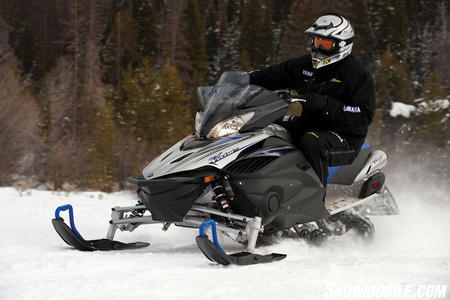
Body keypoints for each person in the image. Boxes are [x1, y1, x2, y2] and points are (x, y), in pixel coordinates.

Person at [249, 13, 375, 187]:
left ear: (342, 44)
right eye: (316, 41)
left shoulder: (357, 75)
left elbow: (364, 116)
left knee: (312, 141)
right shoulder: (305, 65)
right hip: (309, 125)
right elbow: (272, 75)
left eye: (325, 43)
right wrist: (244, 80)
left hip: (345, 137)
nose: (318, 48)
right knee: (266, 127)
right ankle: (254, 185)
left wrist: (326, 104)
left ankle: (316, 206)